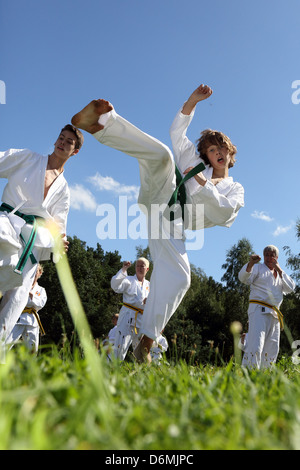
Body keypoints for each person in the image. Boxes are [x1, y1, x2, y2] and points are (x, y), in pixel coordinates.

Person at [71, 84, 244, 362]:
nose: (218, 152)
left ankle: (145, 344)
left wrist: (201, 182)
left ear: (230, 153)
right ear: (206, 154)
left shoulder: (235, 189)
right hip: (162, 194)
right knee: (163, 154)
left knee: (180, 278)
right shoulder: (192, 158)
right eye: (212, 149)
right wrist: (192, 100)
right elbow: (177, 130)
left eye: (222, 148)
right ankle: (103, 123)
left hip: (172, 224)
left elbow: (225, 212)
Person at [0, 124, 84, 357]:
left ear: (74, 151)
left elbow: (58, 223)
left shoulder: (64, 189)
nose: (61, 143)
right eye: (60, 138)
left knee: (17, 295)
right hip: (6, 224)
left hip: (34, 241)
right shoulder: (28, 158)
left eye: (68, 142)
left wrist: (60, 241)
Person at [238, 245, 295, 369]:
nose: (269, 258)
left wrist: (279, 270)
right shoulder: (258, 268)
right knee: (256, 344)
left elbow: (291, 288)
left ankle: (266, 376)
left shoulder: (280, 275)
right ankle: (249, 373)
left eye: (272, 255)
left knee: (272, 347)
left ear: (276, 257)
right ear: (263, 256)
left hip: (274, 315)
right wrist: (251, 263)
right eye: (266, 255)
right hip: (259, 310)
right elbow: (243, 278)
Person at [110, 258, 150, 361]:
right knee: (120, 347)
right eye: (137, 266)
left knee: (141, 351)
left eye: (142, 266)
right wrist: (124, 269)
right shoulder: (129, 280)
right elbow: (115, 286)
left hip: (141, 319)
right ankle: (114, 371)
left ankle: (140, 374)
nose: (139, 268)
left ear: (147, 269)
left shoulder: (149, 285)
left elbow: (156, 302)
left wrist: (149, 301)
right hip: (127, 317)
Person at [6, 263, 47, 354]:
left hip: (32, 320)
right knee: (6, 342)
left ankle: (30, 366)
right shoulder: (20, 286)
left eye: (35, 271)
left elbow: (41, 304)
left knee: (32, 348)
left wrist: (32, 297)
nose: (33, 273)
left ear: (40, 273)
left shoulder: (41, 290)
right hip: (18, 317)